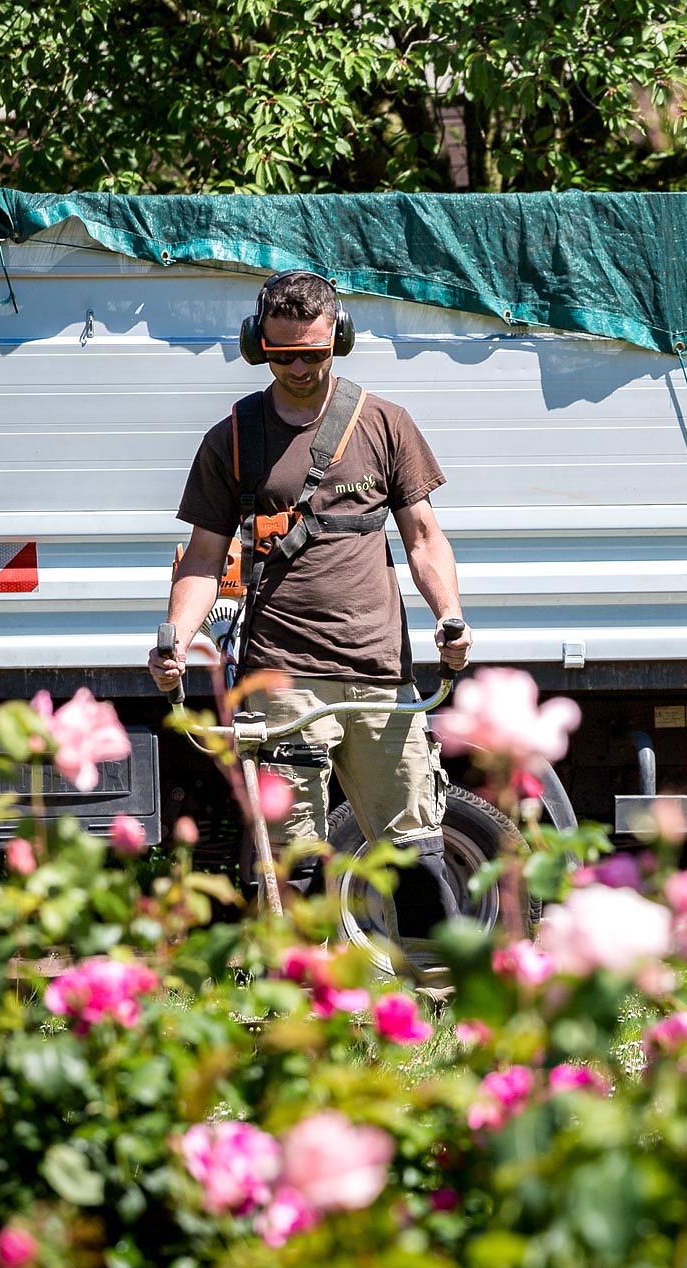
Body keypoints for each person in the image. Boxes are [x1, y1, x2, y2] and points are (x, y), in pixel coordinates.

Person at [149, 270, 472, 934]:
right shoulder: (233, 438)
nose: (299, 367)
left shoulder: (386, 424)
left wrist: (448, 616)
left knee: (417, 849)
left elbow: (424, 537)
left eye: (314, 354)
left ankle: (440, 1006)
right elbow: (205, 558)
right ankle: (309, 1015)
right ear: (256, 346)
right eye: (282, 354)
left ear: (340, 340)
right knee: (292, 860)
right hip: (281, 678)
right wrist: (177, 637)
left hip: (379, 674)